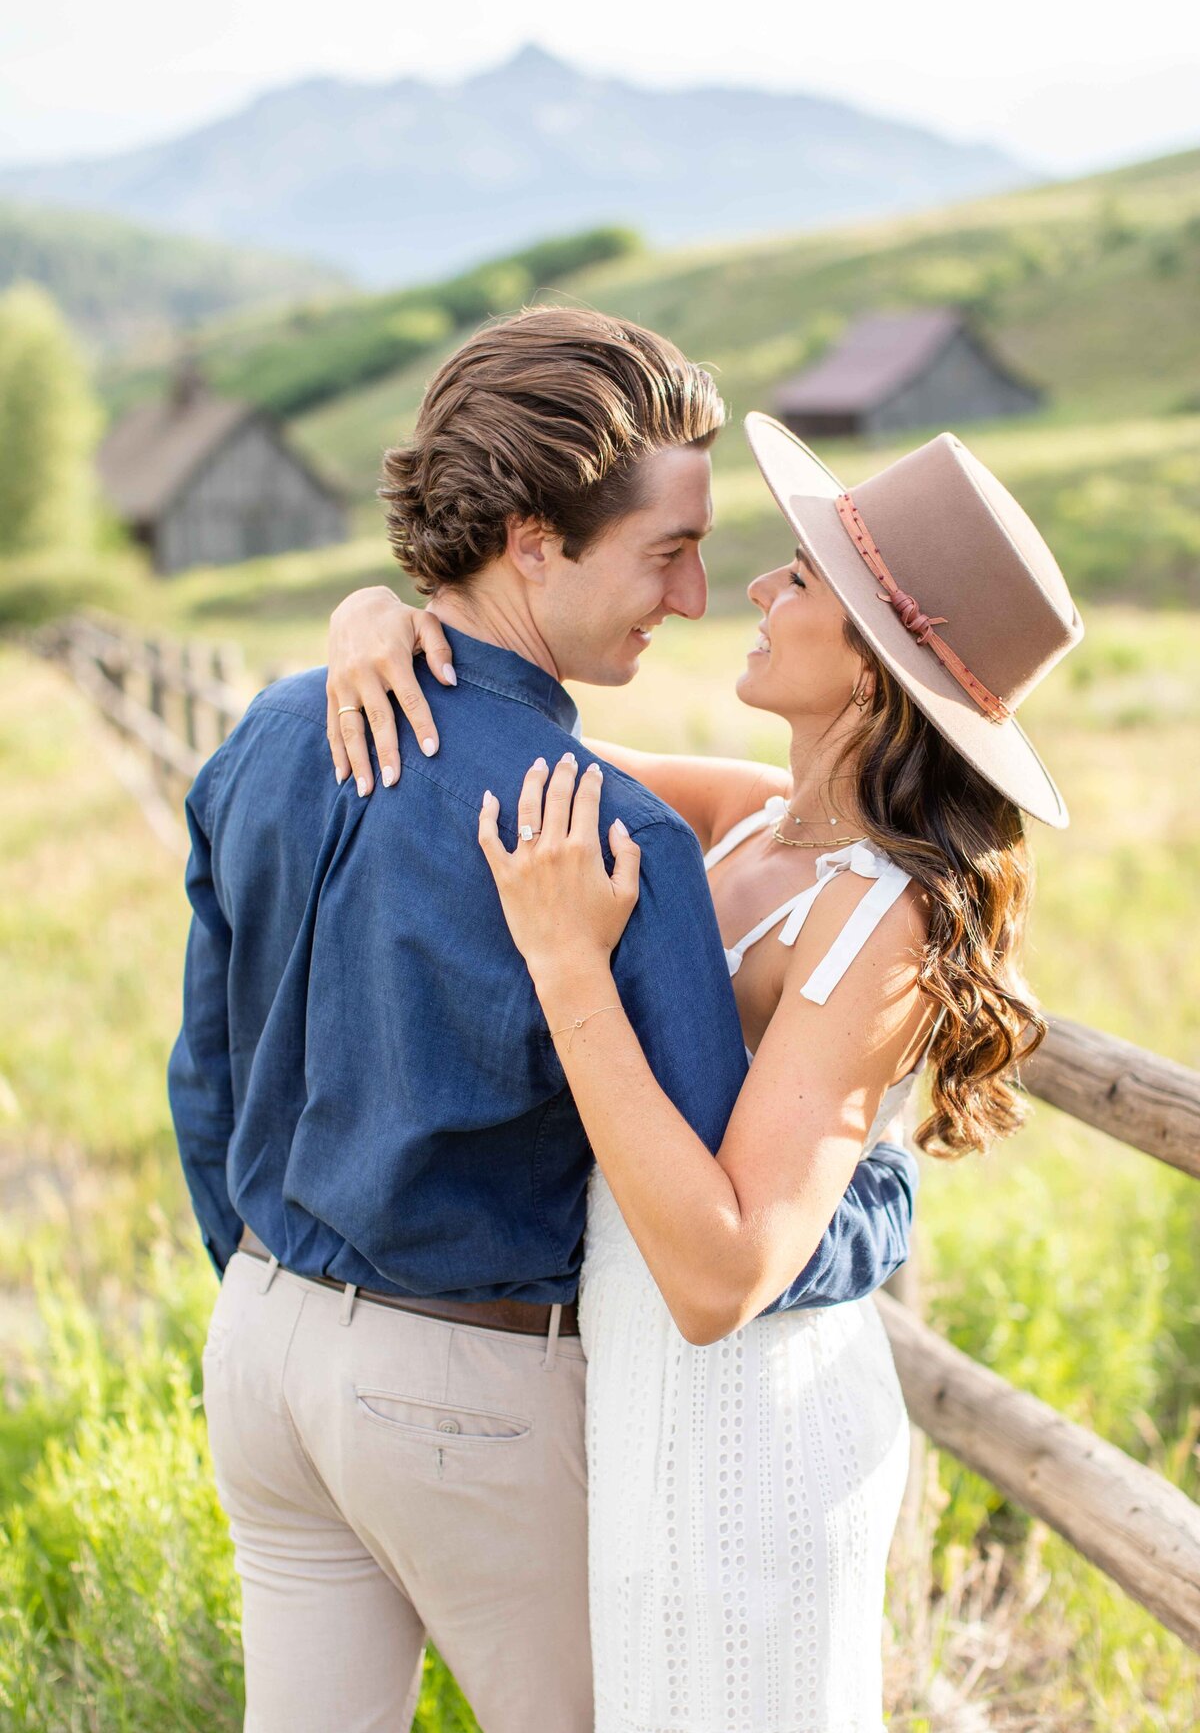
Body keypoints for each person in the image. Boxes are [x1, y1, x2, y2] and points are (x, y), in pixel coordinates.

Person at [168, 308, 919, 1733]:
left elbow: (204, 1066)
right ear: (529, 539)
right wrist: (885, 1194)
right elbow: (707, 1204)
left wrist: (265, 1280)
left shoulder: (271, 729)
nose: (695, 596)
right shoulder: (612, 840)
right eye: (666, 551)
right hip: (467, 1393)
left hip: (260, 1349)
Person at [327, 409, 1083, 1730]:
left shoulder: (885, 923)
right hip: (642, 1407)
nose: (754, 587)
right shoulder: (742, 818)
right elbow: (490, 733)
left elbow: (727, 1271)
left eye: (801, 579)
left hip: (754, 1439)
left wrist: (572, 973)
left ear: (872, 670)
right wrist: (371, 619)